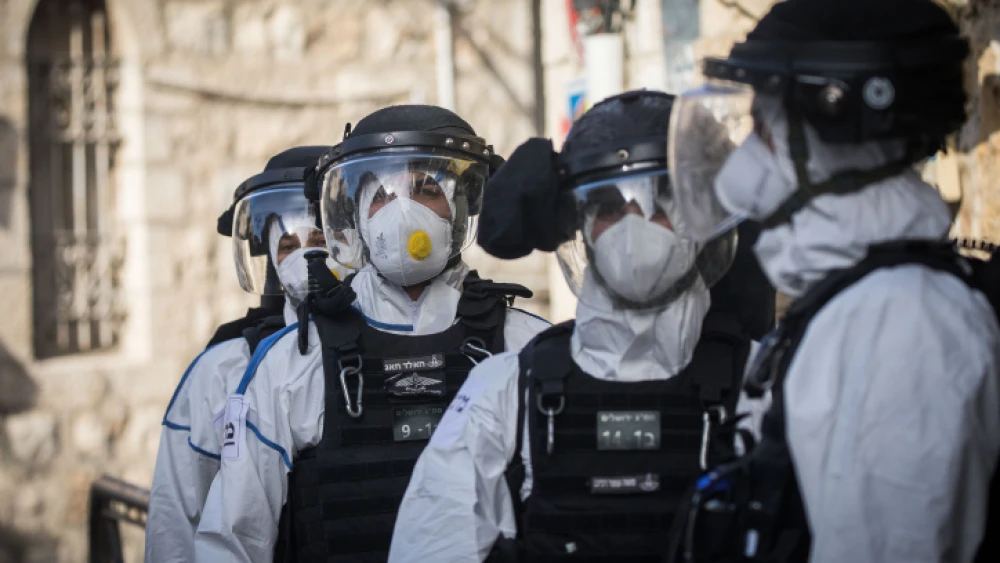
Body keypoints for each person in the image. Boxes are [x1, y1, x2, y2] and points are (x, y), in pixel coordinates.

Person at [662, 0, 1000, 561]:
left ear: (837, 129)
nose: (745, 160)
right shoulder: (853, 302)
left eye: (765, 131)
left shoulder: (901, 320)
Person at [388, 90, 775, 562]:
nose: (636, 229)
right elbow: (434, 547)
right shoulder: (508, 392)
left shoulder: (763, 387)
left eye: (662, 205)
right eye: (610, 206)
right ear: (582, 226)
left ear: (702, 222)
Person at [192, 105, 552, 563]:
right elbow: (233, 539)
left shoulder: (525, 350)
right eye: (381, 195)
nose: (401, 212)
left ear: (461, 209)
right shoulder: (295, 359)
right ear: (357, 218)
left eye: (425, 190)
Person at [146, 147, 353, 562]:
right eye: (288, 245)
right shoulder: (225, 367)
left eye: (319, 240)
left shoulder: (394, 341)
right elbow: (178, 516)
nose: (307, 257)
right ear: (272, 258)